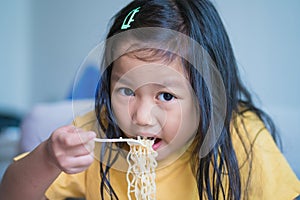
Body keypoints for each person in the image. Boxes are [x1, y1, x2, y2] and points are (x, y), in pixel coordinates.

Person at [1, 0, 299, 199]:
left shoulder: (241, 136)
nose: (141, 117)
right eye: (127, 91)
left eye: (166, 95)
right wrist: (48, 159)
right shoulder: (95, 133)